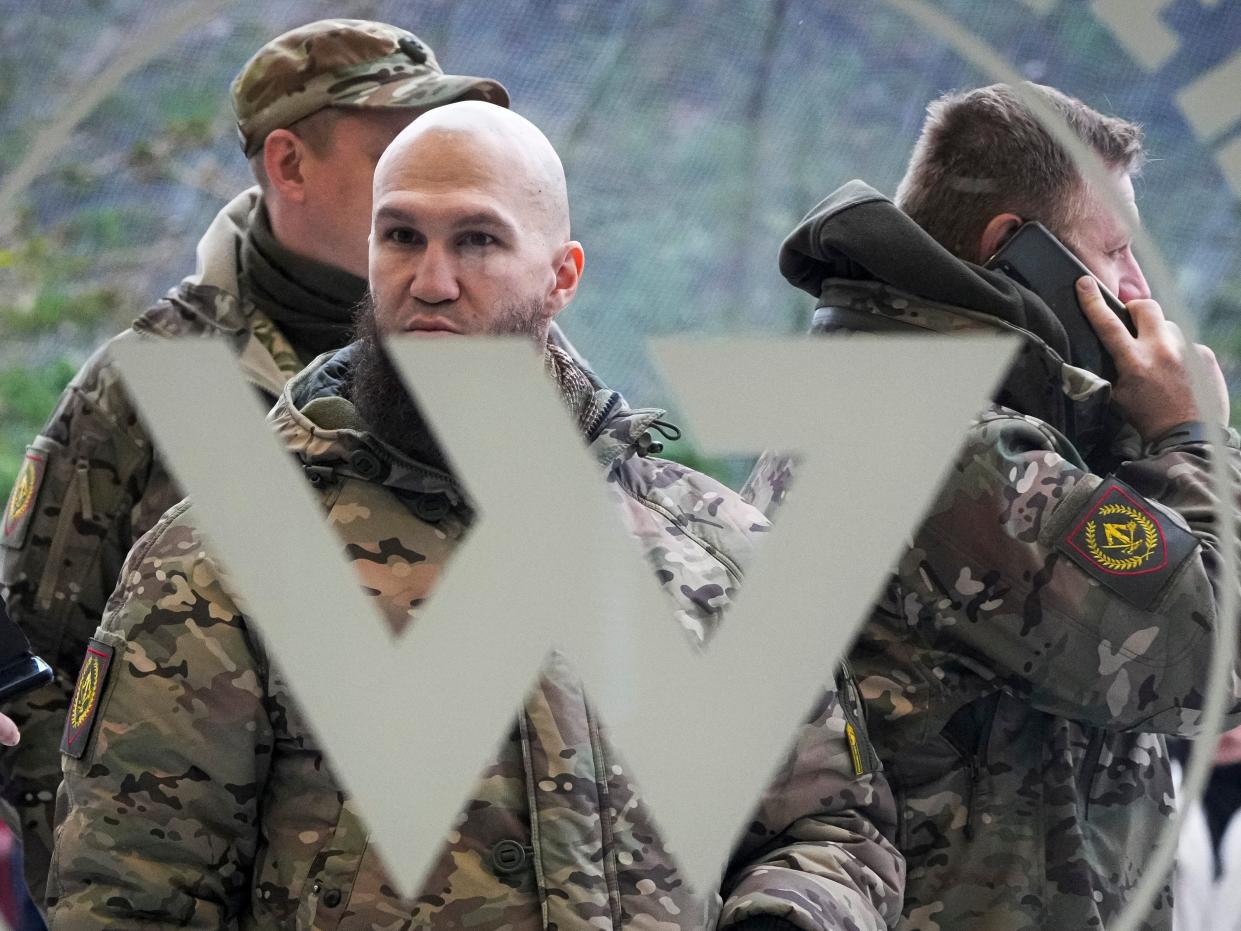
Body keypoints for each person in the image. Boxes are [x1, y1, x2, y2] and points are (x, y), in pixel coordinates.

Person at [45, 102, 904, 929]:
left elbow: (833, 830)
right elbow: (130, 897)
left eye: (478, 241)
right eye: (401, 237)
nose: (432, 281)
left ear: (562, 275)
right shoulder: (218, 562)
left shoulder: (711, 548)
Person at [0, 18, 507, 902]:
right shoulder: (151, 385)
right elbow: (37, 677)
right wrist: (105, 890)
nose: (428, 173)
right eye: (394, 146)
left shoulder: (506, 360)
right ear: (288, 165)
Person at [743, 82, 1241, 930]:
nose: (1136, 290)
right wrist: (1190, 438)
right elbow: (1210, 661)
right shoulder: (953, 447)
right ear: (1017, 248)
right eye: (1115, 251)